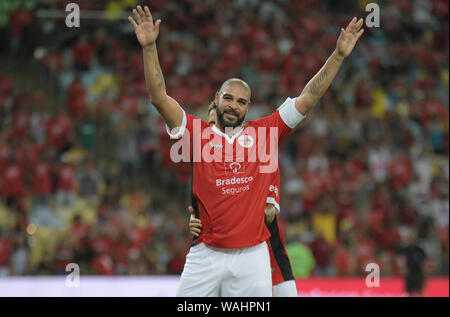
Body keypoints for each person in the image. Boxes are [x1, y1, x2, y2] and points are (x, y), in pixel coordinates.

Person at [128, 5, 364, 297]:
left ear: (248, 108)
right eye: (228, 98)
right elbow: (159, 97)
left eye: (241, 102)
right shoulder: (197, 133)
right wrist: (150, 47)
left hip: (252, 257)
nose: (233, 105)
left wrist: (338, 56)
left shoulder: (264, 133)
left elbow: (308, 98)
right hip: (206, 254)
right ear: (217, 99)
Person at [188, 103, 298, 296]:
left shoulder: (258, 154)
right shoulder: (202, 163)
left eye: (217, 124)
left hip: (269, 257)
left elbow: (268, 212)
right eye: (210, 124)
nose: (213, 130)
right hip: (218, 258)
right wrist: (196, 220)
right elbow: (200, 208)